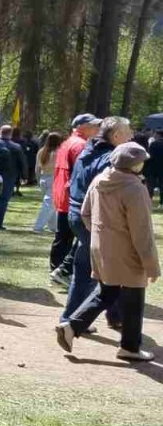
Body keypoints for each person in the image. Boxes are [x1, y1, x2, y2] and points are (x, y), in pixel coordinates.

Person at [56, 142, 158, 362]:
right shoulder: (135, 188)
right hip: (128, 251)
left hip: (101, 246)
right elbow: (141, 232)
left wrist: (103, 234)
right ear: (135, 164)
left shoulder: (99, 180)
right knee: (133, 298)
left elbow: (85, 213)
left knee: (107, 291)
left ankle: (72, 326)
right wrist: (152, 265)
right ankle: (130, 347)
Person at [61, 116, 134, 325]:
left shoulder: (87, 150)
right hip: (93, 219)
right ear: (116, 135)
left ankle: (113, 315)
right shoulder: (111, 158)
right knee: (100, 272)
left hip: (78, 215)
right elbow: (109, 194)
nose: (132, 136)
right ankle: (73, 320)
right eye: (128, 132)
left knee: (94, 270)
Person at [50, 114, 101, 284]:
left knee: (63, 236)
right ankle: (61, 270)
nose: (97, 129)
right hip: (72, 196)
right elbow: (83, 173)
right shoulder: (80, 145)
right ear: (82, 127)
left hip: (63, 194)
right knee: (74, 237)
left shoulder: (68, 142)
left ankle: (57, 269)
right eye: (94, 125)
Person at [0, 125, 20, 230]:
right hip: (7, 176)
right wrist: (24, 175)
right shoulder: (13, 147)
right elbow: (20, 161)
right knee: (2, 200)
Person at [33, 131, 62, 232]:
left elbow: (37, 168)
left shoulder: (42, 151)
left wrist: (38, 180)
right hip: (54, 179)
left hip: (43, 178)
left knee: (51, 204)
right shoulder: (59, 152)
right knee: (49, 204)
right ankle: (38, 226)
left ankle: (53, 226)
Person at [146, 129, 163, 206]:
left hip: (154, 167)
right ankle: (161, 201)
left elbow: (150, 156)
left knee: (152, 185)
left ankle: (150, 199)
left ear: (158, 135)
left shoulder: (154, 144)